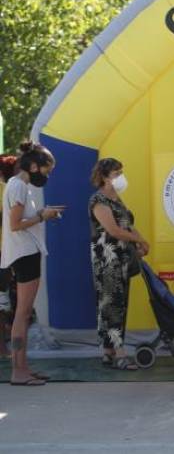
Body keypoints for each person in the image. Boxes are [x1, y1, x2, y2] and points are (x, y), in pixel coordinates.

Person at [1, 142, 63, 386]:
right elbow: (16, 224)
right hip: (24, 254)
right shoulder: (18, 187)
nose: (46, 176)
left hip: (27, 252)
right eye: (46, 171)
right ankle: (18, 371)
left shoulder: (20, 186)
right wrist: (41, 216)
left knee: (24, 314)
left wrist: (43, 214)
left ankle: (23, 366)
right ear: (34, 166)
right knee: (22, 313)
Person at [89, 158, 148, 370]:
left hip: (122, 258)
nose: (121, 177)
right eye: (116, 173)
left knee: (117, 303)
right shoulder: (99, 201)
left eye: (121, 172)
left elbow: (127, 225)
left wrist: (141, 241)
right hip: (107, 259)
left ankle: (108, 352)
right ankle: (120, 353)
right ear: (104, 177)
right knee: (111, 305)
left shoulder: (116, 199)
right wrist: (138, 240)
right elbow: (113, 230)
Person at [0, 154, 19, 358]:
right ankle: (3, 349)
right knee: (2, 301)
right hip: (4, 254)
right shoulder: (8, 191)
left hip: (6, 252)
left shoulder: (7, 190)